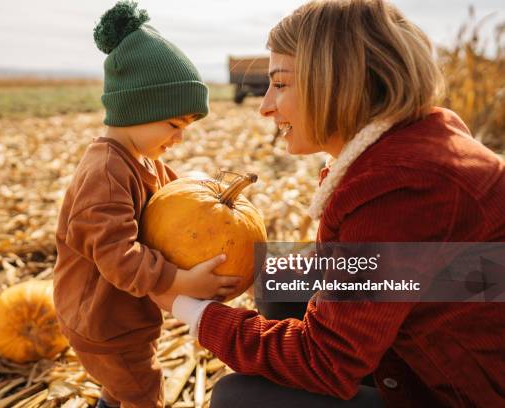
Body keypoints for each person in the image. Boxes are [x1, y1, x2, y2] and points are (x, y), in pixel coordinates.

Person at [151, 0, 505, 406]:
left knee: (240, 398)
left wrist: (184, 305)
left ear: (337, 82)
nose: (265, 106)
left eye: (280, 84)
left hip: (466, 394)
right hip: (449, 312)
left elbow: (325, 359)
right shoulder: (417, 138)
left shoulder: (402, 185)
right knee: (278, 277)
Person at [52, 2, 238, 407]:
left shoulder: (144, 160)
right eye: (174, 125)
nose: (179, 139)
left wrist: (216, 198)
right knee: (142, 395)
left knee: (121, 391)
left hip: (121, 317)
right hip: (102, 323)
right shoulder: (105, 173)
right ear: (138, 108)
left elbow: (178, 202)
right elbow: (119, 257)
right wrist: (180, 282)